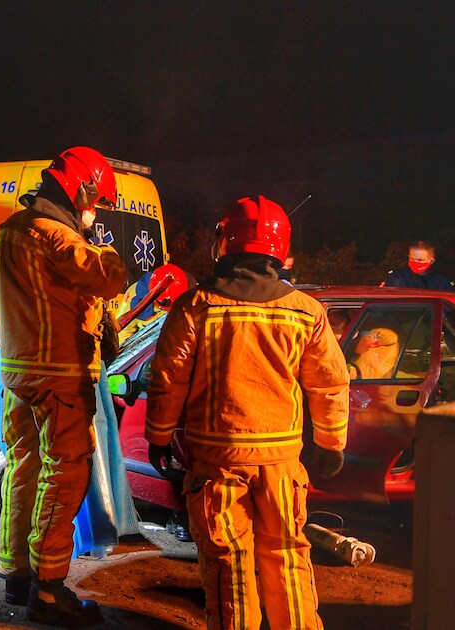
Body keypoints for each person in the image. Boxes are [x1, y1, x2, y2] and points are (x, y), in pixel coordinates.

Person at [145, 196, 349, 630]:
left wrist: (159, 436)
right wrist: (330, 444)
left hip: (219, 463)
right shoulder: (306, 312)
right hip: (281, 463)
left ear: (224, 243)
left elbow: (168, 378)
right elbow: (329, 382)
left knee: (229, 562)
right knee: (287, 555)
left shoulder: (196, 306)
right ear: (280, 248)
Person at [0, 146, 129, 626]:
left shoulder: (11, 234)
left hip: (18, 375)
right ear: (81, 190)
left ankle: (16, 573)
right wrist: (100, 244)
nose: (94, 211)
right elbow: (111, 275)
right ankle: (47, 591)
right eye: (95, 201)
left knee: (23, 469)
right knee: (64, 477)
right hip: (60, 378)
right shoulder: (58, 238)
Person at [382, 240, 455, 290]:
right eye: (412, 259)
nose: (415, 262)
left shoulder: (443, 283)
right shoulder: (396, 277)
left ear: (431, 261)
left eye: (420, 260)